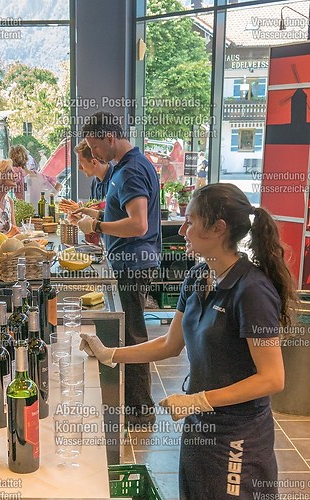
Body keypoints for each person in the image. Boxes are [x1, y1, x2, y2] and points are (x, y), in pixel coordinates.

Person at [80, 182, 293, 499]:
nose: (182, 230)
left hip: (238, 437)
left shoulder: (251, 291)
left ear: (218, 228)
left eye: (191, 221)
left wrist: (199, 399)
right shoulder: (198, 276)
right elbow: (170, 344)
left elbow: (272, 378)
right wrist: (109, 353)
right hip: (198, 429)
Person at [72, 111, 162, 424]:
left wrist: (96, 223)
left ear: (109, 137)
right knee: (132, 332)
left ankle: (140, 410)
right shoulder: (129, 166)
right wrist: (94, 212)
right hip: (133, 262)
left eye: (94, 147)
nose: (93, 154)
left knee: (134, 336)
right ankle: (136, 405)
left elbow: (138, 224)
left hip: (133, 263)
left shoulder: (131, 170)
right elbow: (122, 208)